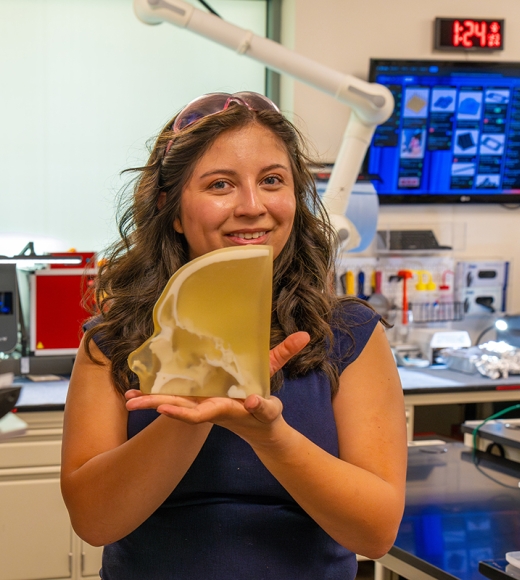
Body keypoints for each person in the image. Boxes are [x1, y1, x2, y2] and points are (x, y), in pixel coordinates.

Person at [60, 91, 407, 580]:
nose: (252, 206)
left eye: (272, 181)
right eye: (220, 184)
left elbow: (375, 534)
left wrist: (271, 437)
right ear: (171, 209)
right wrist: (195, 408)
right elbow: (94, 522)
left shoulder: (348, 334)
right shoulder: (112, 341)